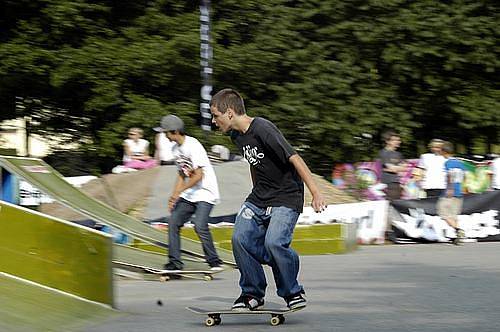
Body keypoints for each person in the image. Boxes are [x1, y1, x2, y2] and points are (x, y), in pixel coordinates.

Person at [209, 88, 326, 311]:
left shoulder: (263, 128)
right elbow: (255, 163)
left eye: (216, 115)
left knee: (274, 243)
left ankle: (292, 291)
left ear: (230, 112)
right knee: (240, 239)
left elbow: (295, 158)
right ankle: (252, 294)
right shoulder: (236, 135)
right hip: (259, 197)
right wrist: (256, 193)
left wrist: (316, 192)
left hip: (286, 196)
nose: (214, 121)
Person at [156, 115, 223, 271]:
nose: (165, 135)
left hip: (206, 192)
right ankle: (175, 262)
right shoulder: (175, 149)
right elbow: (182, 174)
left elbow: (199, 175)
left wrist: (181, 190)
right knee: (173, 222)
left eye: (166, 132)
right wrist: (174, 196)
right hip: (191, 193)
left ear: (174, 131)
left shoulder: (193, 145)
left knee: (199, 225)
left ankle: (214, 261)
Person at [437, 141, 465, 245]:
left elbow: (450, 175)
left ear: (444, 151)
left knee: (443, 213)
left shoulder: (448, 162)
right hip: (459, 191)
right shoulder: (460, 162)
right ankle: (458, 237)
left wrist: (450, 188)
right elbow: (464, 176)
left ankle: (458, 230)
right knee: (454, 215)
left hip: (449, 192)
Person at [378, 130, 406, 200]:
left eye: (398, 140)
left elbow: (404, 168)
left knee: (398, 205)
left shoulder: (399, 154)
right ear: (388, 141)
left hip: (397, 183)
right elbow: (392, 168)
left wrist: (394, 168)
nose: (398, 142)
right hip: (388, 183)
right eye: (395, 140)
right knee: (390, 205)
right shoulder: (384, 153)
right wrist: (396, 168)